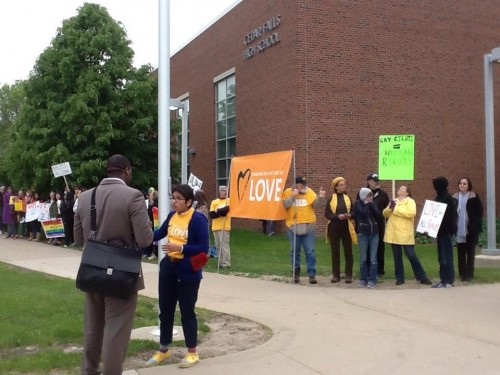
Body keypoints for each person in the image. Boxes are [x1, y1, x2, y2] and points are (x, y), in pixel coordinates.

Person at [74, 154, 153, 375]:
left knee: (93, 328)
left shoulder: (85, 197)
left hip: (92, 268)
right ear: (126, 170)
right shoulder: (133, 196)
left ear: (108, 171)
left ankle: (88, 371)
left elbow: (79, 239)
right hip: (122, 272)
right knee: (115, 331)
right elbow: (146, 239)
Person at [145, 184, 209, 369]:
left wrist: (180, 248)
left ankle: (192, 352)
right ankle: (164, 350)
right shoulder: (172, 216)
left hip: (187, 270)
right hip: (169, 267)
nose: (174, 201)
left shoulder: (198, 219)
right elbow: (160, 233)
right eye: (173, 197)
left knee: (187, 311)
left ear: (189, 202)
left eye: (178, 198)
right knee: (165, 309)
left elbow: (203, 248)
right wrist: (143, 235)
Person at [383, 186, 432, 286]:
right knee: (397, 257)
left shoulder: (410, 201)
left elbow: (411, 213)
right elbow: (385, 214)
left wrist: (395, 210)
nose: (399, 189)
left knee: (411, 255)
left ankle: (422, 276)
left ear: (407, 193)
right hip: (394, 233)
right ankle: (399, 278)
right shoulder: (394, 201)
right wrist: (390, 208)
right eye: (399, 188)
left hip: (405, 233)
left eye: (402, 188)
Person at [282, 176, 325, 284]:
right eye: (302, 184)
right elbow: (285, 205)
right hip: (293, 226)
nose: (305, 186)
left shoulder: (309, 192)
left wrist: (320, 197)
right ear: (296, 184)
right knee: (294, 251)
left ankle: (312, 274)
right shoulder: (288, 191)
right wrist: (293, 196)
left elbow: (317, 206)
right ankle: (295, 273)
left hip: (308, 226)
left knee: (310, 251)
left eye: (305, 184)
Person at [325, 177, 356, 283]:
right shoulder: (331, 198)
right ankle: (336, 275)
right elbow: (327, 214)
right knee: (335, 252)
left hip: (346, 227)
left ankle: (348, 275)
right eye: (341, 185)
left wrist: (349, 215)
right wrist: (338, 216)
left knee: (348, 251)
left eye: (344, 184)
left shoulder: (347, 197)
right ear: (336, 187)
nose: (343, 186)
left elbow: (353, 212)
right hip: (334, 227)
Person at [453, 177, 483, 282]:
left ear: (468, 185)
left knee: (470, 252)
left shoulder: (473, 197)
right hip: (459, 229)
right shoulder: (455, 197)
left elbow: (480, 211)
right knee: (461, 253)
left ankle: (470, 274)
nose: (462, 185)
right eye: (460, 183)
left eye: (464, 183)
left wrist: (474, 222)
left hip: (470, 229)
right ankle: (462, 274)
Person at [431, 176, 458, 288]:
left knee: (446, 257)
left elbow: (451, 216)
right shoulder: (439, 197)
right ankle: (445, 279)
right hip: (440, 231)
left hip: (445, 231)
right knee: (442, 256)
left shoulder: (446, 198)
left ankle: (447, 280)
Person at [355, 188, 383, 288]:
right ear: (363, 196)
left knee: (373, 258)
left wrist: (371, 204)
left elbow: (378, 215)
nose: (370, 197)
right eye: (368, 196)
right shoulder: (358, 203)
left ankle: (372, 279)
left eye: (371, 196)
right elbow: (362, 213)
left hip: (374, 233)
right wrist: (367, 204)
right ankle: (363, 279)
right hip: (363, 233)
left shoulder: (372, 203)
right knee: (363, 258)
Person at [366, 173, 390, 276]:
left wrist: (389, 224)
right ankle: (367, 269)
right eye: (374, 181)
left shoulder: (383, 194)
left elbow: (388, 210)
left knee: (380, 248)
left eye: (377, 181)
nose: (377, 183)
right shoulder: (364, 193)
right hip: (367, 225)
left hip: (379, 225)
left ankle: (380, 270)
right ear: (369, 182)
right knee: (367, 248)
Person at [210, 186, 231, 268]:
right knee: (218, 245)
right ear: (219, 192)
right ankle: (220, 262)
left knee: (224, 245)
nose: (225, 192)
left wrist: (218, 211)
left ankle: (226, 263)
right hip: (215, 226)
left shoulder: (229, 201)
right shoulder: (214, 202)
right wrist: (220, 212)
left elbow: (226, 211)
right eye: (223, 191)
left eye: (226, 191)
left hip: (225, 226)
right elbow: (212, 215)